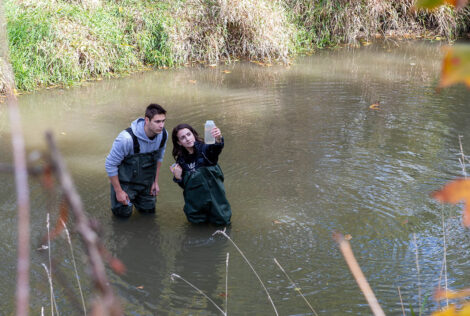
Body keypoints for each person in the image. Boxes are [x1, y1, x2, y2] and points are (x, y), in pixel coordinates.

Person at [105, 103, 168, 217]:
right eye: (157, 121)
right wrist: (119, 192)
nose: (161, 125)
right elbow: (110, 165)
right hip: (125, 185)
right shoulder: (126, 139)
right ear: (147, 120)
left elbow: (159, 157)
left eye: (163, 121)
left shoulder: (163, 135)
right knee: (122, 219)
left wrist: (155, 182)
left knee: (149, 216)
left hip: (147, 184)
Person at [170, 123, 232, 226]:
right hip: (195, 205)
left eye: (189, 134)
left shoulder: (205, 150)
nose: (187, 139)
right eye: (183, 137)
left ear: (193, 134)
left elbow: (216, 149)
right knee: (197, 228)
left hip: (216, 201)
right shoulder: (180, 161)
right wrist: (178, 177)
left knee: (223, 223)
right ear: (179, 142)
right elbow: (185, 187)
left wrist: (218, 139)